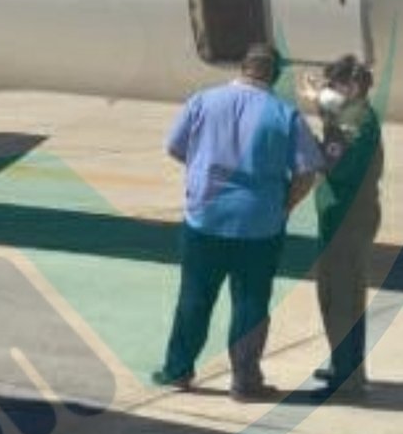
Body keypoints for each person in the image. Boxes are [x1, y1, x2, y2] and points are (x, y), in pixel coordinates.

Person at [154, 43, 325, 400]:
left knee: (194, 298)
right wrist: (285, 206)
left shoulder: (203, 101)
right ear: (274, 75)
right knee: (250, 303)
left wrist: (203, 170)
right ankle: (245, 381)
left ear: (242, 68)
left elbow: (174, 147)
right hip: (260, 225)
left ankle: (178, 370)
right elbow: (307, 171)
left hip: (205, 218)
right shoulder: (285, 114)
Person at [311, 55, 384, 400]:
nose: (328, 91)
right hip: (347, 218)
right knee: (344, 297)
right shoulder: (353, 116)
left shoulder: (353, 120)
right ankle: (346, 367)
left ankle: (347, 379)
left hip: (346, 221)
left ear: (352, 86)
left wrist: (310, 144)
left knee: (340, 298)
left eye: (333, 85)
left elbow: (335, 163)